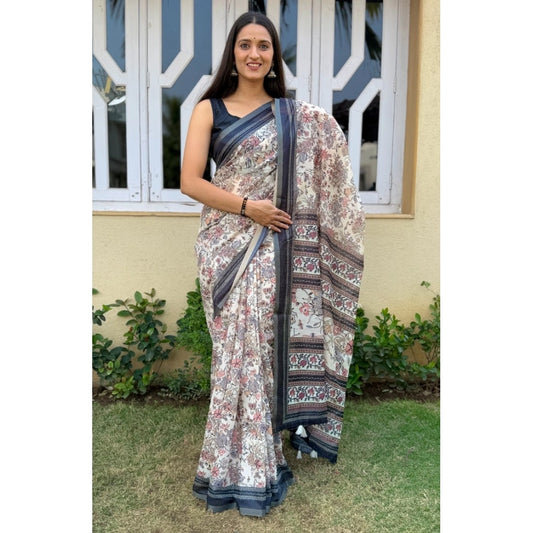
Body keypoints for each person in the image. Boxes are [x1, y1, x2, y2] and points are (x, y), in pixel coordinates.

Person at [181, 11, 365, 518]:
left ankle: (260, 460)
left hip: (277, 248)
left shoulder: (294, 117)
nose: (254, 54)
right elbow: (190, 181)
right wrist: (249, 208)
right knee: (233, 354)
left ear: (274, 56)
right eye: (245, 45)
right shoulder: (209, 110)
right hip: (226, 247)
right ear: (232, 54)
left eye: (264, 46)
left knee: (259, 350)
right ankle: (230, 462)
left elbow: (326, 164)